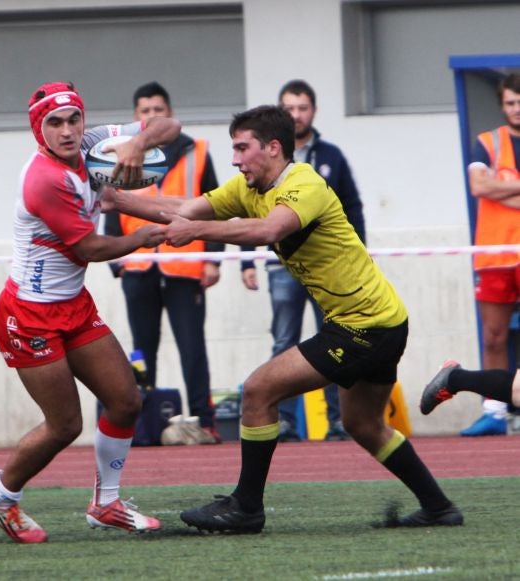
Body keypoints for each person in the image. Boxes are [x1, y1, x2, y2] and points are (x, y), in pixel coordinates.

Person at [104, 104, 462, 533]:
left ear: (273, 147)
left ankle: (246, 508)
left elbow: (267, 231)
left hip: (365, 326)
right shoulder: (248, 188)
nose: (235, 159)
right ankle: (438, 507)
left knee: (258, 391)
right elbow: (184, 207)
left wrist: (196, 232)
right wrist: (115, 198)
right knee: (363, 425)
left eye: (242, 148)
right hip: (380, 321)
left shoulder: (303, 183)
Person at [0, 81, 179, 543]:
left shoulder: (90, 142)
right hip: (28, 315)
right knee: (65, 424)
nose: (68, 131)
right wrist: (143, 238)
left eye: (74, 119)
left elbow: (171, 125)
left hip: (72, 306)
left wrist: (137, 144)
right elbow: (88, 247)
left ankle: (106, 503)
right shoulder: (44, 179)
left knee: (126, 399)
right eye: (54, 123)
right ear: (38, 128)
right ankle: (0, 497)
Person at [103, 81, 256, 444]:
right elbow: (111, 205)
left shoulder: (197, 151)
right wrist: (117, 261)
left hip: (186, 264)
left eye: (158, 110)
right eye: (145, 111)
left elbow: (219, 204)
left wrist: (213, 259)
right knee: (141, 350)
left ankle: (205, 421)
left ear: (168, 113)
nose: (152, 116)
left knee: (192, 347)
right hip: (138, 267)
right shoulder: (122, 154)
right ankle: (143, 423)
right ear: (135, 117)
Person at [271, 79, 366, 442]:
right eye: (289, 108)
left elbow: (353, 207)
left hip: (330, 268)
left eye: (302, 107)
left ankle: (338, 420)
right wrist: (248, 264)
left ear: (313, 110)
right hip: (282, 267)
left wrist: (359, 255)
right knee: (284, 340)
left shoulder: (331, 156)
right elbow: (245, 209)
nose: (296, 115)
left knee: (337, 339)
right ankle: (282, 421)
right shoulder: (271, 156)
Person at [458, 73, 520, 437]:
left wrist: (503, 189)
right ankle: (495, 411)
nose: (517, 109)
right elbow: (478, 185)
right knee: (494, 336)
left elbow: (491, 188)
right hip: (494, 254)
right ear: (502, 104)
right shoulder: (487, 142)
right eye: (511, 102)